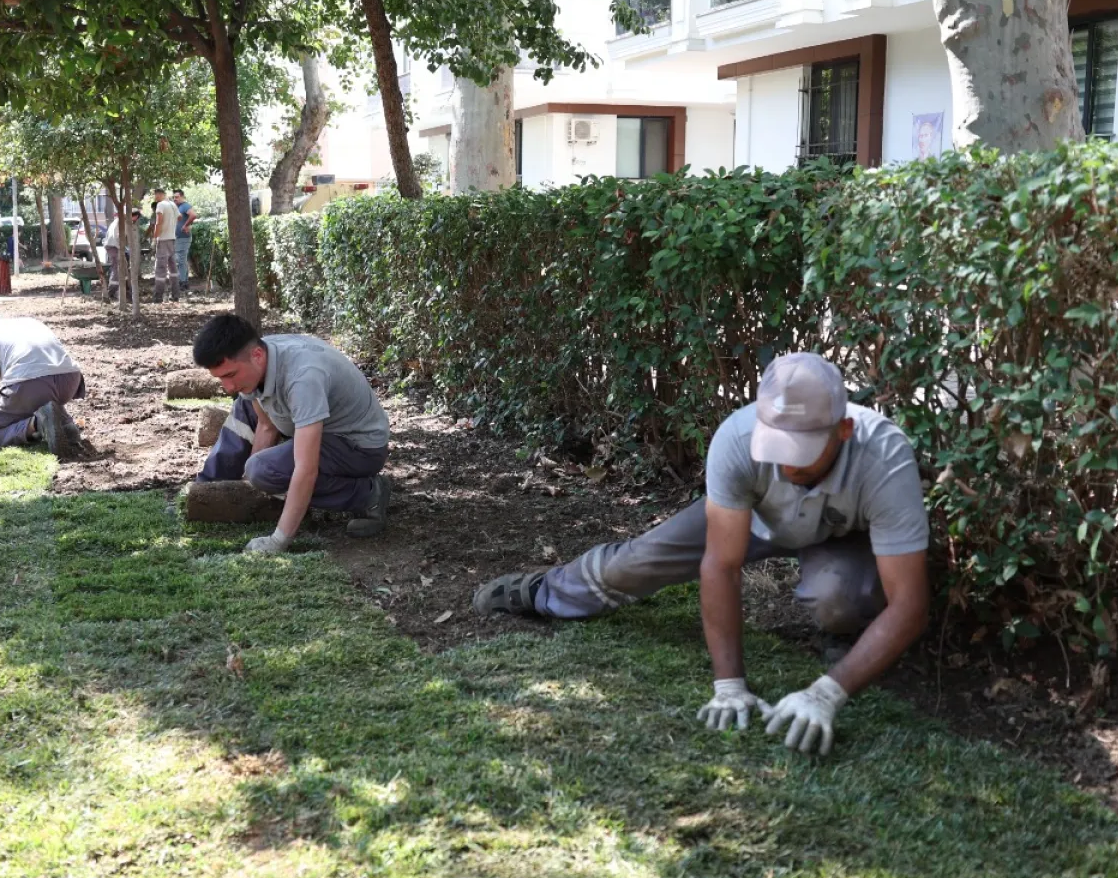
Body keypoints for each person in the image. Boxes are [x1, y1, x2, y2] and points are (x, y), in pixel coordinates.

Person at [472, 353, 929, 756]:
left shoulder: (885, 457)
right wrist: (729, 685)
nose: (787, 465)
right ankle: (545, 591)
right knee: (635, 562)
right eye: (778, 447)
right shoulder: (738, 438)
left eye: (803, 451)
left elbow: (909, 602)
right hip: (756, 516)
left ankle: (844, 636)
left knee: (840, 595)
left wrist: (829, 693)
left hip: (840, 534)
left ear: (844, 430)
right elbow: (721, 565)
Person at [193, 313, 392, 550]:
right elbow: (266, 425)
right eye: (220, 378)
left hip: (358, 446)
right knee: (244, 410)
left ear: (257, 355)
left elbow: (305, 468)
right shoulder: (257, 358)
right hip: (314, 428)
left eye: (230, 375)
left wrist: (279, 540)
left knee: (264, 471)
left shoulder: (303, 378)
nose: (228, 387)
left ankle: (368, 494)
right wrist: (250, 488)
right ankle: (203, 493)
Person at [0, 317, 85, 457]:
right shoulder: (27, 322)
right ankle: (66, 425)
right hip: (70, 380)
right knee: (39, 396)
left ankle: (37, 424)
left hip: (30, 383)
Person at [147, 190, 180, 303]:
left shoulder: (161, 205)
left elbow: (158, 222)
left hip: (163, 240)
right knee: (173, 269)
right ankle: (175, 295)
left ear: (160, 194)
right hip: (172, 239)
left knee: (160, 270)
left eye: (155, 195)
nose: (155, 197)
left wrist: (155, 238)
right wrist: (170, 224)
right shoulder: (172, 204)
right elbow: (179, 217)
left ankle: (158, 297)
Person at [172, 190, 195, 296]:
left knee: (180, 260)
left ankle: (182, 283)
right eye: (174, 197)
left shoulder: (185, 206)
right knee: (182, 260)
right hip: (178, 238)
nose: (175, 199)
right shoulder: (178, 207)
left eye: (177, 197)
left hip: (183, 238)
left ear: (182, 197)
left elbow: (193, 215)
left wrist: (185, 225)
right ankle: (184, 282)